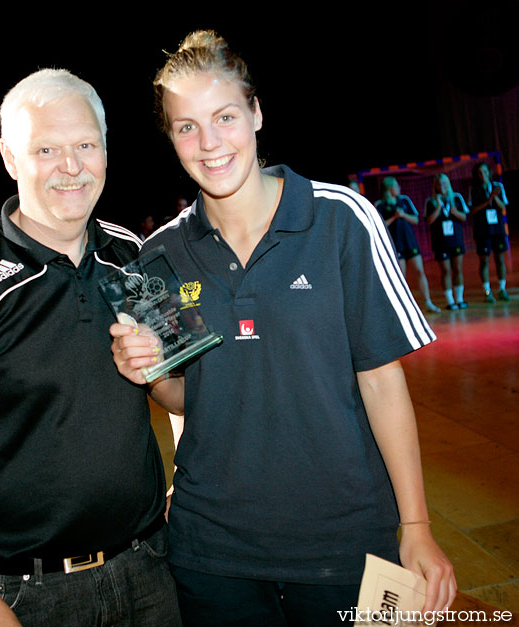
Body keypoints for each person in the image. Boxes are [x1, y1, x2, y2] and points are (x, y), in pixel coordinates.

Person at [110, 31, 456, 627]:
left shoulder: (340, 218)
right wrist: (148, 371)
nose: (209, 142)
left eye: (225, 116)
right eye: (186, 126)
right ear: (170, 136)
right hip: (212, 550)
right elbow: (186, 394)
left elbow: (381, 382)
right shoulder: (157, 258)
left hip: (346, 543)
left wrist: (417, 526)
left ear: (257, 113)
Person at [0, 69, 181, 627]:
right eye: (46, 148)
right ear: (9, 157)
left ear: (103, 150)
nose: (71, 167)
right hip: (27, 595)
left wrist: (183, 483)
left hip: (152, 569)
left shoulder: (133, 253)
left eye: (85, 146)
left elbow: (181, 388)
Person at [376, 177, 441, 313]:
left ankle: (428, 302)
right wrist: (394, 217)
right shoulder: (380, 205)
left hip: (409, 242)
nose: (399, 187)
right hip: (395, 245)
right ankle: (403, 307)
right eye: (395, 185)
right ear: (389, 188)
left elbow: (416, 219)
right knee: (401, 277)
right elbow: (380, 226)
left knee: (419, 271)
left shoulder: (404, 200)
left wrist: (403, 215)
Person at [424, 173, 470, 310]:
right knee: (445, 270)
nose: (442, 186)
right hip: (440, 241)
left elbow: (464, 217)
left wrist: (454, 211)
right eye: (439, 184)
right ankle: (450, 301)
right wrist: (438, 207)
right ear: (435, 186)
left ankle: (460, 299)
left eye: (444, 183)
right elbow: (429, 221)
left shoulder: (456, 198)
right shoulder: (431, 201)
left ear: (448, 184)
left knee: (457, 269)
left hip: (456, 239)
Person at [468, 161, 511, 302]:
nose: (483, 175)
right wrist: (488, 200)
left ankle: (502, 289)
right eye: (480, 173)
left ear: (489, 172)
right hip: (482, 230)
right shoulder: (474, 189)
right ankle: (487, 291)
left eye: (485, 172)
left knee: (500, 259)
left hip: (497, 229)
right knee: (484, 261)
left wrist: (494, 197)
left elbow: (503, 207)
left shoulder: (498, 187)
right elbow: (472, 210)